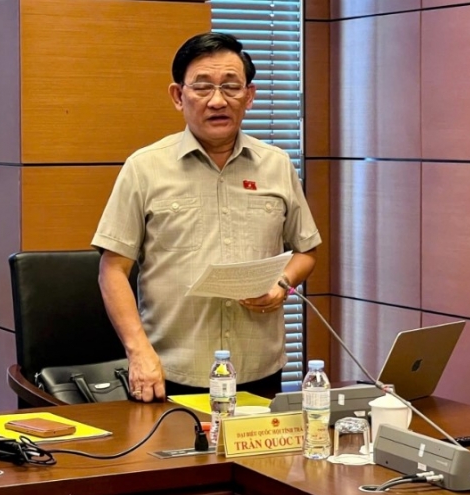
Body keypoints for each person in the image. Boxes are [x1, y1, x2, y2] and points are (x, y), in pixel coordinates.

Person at [92, 32, 321, 403]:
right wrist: (139, 353)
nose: (217, 100)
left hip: (259, 370)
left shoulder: (276, 165)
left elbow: (306, 250)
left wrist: (282, 283)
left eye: (231, 87)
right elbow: (113, 269)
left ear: (249, 96)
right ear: (178, 96)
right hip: (171, 372)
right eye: (202, 87)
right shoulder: (144, 168)